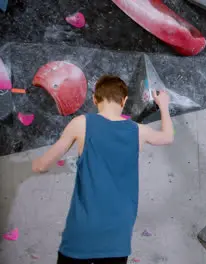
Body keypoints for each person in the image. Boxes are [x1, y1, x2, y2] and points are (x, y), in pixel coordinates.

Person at [32, 75, 174, 264]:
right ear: (123, 101)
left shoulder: (81, 123)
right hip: (117, 236)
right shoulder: (139, 131)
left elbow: (42, 165)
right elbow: (167, 137)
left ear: (95, 99)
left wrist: (36, 165)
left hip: (82, 234)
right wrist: (163, 104)